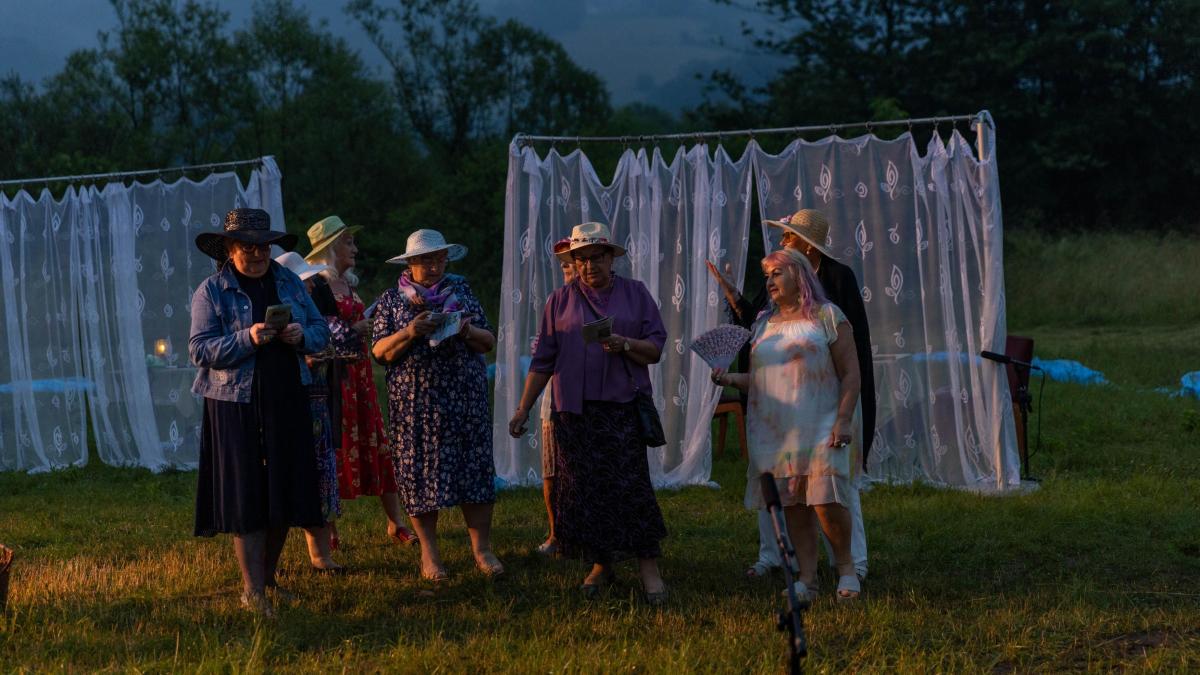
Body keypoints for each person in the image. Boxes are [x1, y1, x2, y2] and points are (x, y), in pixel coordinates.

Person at [706, 208, 872, 582]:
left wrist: (846, 416)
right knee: (791, 502)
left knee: (832, 497)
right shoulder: (767, 319)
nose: (782, 240)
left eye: (788, 235)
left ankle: (850, 565)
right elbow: (763, 370)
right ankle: (799, 571)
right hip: (779, 425)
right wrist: (729, 378)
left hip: (824, 416)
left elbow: (853, 360)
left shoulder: (832, 299)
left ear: (804, 253)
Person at [508, 222, 669, 604]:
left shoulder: (635, 294)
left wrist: (625, 343)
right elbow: (543, 361)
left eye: (596, 257)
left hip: (622, 407)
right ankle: (601, 563)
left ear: (611, 258)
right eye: (580, 259)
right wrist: (522, 408)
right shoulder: (559, 301)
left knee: (631, 488)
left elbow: (655, 349)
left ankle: (649, 569)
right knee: (587, 491)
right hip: (573, 411)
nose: (589, 265)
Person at [189, 208, 331, 616]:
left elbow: (321, 330)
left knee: (284, 488)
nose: (257, 254)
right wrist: (247, 338)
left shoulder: (289, 282)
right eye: (247, 247)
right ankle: (252, 591)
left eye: (263, 247)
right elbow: (199, 349)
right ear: (230, 250)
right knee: (248, 493)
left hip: (287, 395)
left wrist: (301, 335)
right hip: (235, 403)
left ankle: (269, 581)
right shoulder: (211, 291)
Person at [372, 228, 501, 582]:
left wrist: (465, 331)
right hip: (416, 405)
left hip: (464, 399)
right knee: (420, 475)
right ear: (410, 263)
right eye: (426, 260)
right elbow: (379, 352)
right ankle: (430, 554)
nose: (434, 266)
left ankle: (482, 549)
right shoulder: (391, 300)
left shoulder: (461, 291)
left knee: (473, 470)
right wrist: (410, 332)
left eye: (439, 259)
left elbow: (488, 340)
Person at [304, 216, 416, 547]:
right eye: (348, 242)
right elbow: (316, 331)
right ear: (330, 249)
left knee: (375, 438)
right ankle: (330, 529)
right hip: (333, 376)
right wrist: (353, 330)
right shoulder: (316, 286)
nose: (355, 248)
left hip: (360, 373)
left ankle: (395, 522)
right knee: (334, 445)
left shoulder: (347, 282)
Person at [275, 251, 343, 572]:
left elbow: (322, 336)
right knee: (291, 475)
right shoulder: (279, 310)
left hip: (317, 403)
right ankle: (272, 558)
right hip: (291, 399)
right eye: (306, 281)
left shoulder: (310, 310)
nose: (312, 285)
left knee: (320, 473)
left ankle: (321, 554)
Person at [535, 239, 576, 557]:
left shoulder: (608, 301)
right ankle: (556, 534)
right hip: (556, 397)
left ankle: (583, 534)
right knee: (551, 470)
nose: (568, 269)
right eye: (564, 265)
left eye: (573, 263)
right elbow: (544, 351)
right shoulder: (557, 301)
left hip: (591, 400)